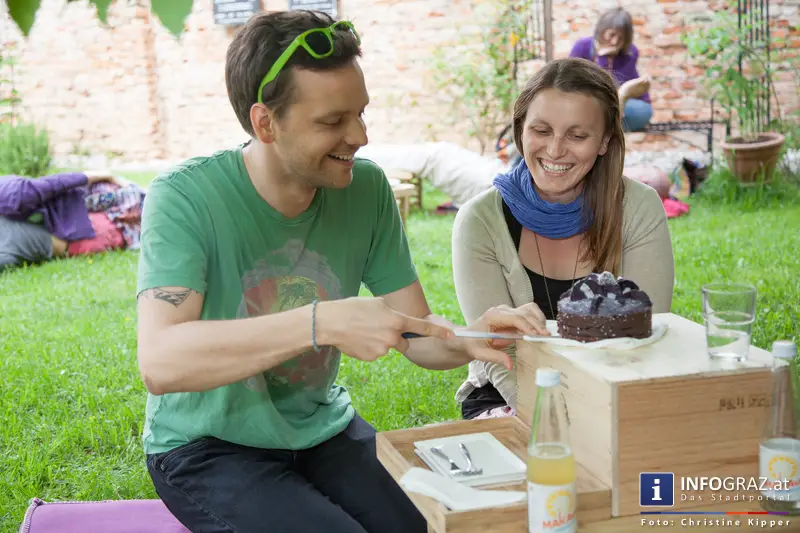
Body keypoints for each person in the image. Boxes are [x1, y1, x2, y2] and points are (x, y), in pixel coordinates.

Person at [134, 10, 544, 533]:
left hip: (321, 429)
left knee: (431, 525)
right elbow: (161, 362)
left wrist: (469, 338)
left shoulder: (366, 190)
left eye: (360, 112)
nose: (360, 135)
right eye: (332, 121)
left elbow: (416, 334)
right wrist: (320, 322)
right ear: (265, 123)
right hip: (205, 447)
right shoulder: (184, 197)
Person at [452, 57, 675, 420]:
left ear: (604, 141)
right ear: (520, 129)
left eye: (577, 135)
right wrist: (557, 420)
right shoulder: (479, 220)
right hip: (512, 396)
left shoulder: (639, 207)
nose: (555, 150)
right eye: (541, 130)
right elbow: (497, 352)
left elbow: (645, 335)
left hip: (617, 392)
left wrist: (598, 415)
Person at [0, 171, 124, 272]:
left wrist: (100, 175)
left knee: (126, 199)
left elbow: (52, 184)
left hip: (76, 207)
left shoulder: (15, 195)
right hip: (77, 233)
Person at [568, 7, 653, 132]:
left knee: (643, 111)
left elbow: (615, 86)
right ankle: (607, 127)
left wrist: (625, 92)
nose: (614, 42)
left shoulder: (630, 52)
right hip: (590, 102)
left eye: (621, 38)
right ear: (601, 30)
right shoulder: (582, 47)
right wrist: (602, 57)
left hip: (627, 104)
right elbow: (571, 84)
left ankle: (600, 127)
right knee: (593, 104)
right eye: (612, 35)